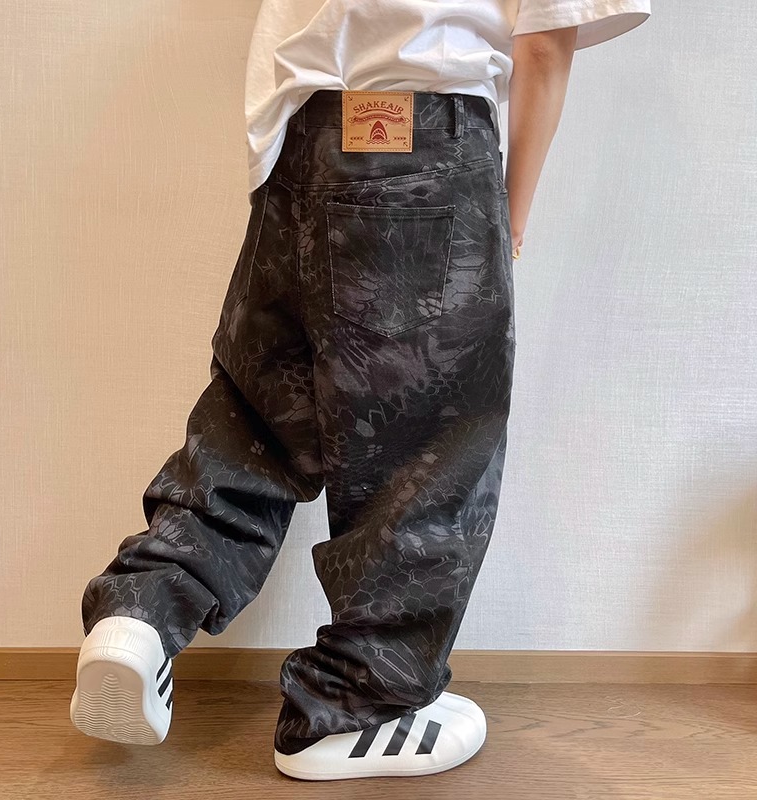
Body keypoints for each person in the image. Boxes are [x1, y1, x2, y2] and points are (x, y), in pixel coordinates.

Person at [70, 0, 651, 782]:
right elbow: (545, 48)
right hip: (430, 153)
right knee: (428, 449)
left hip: (301, 144)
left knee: (256, 423)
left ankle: (139, 614)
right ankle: (356, 706)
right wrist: (509, 225)